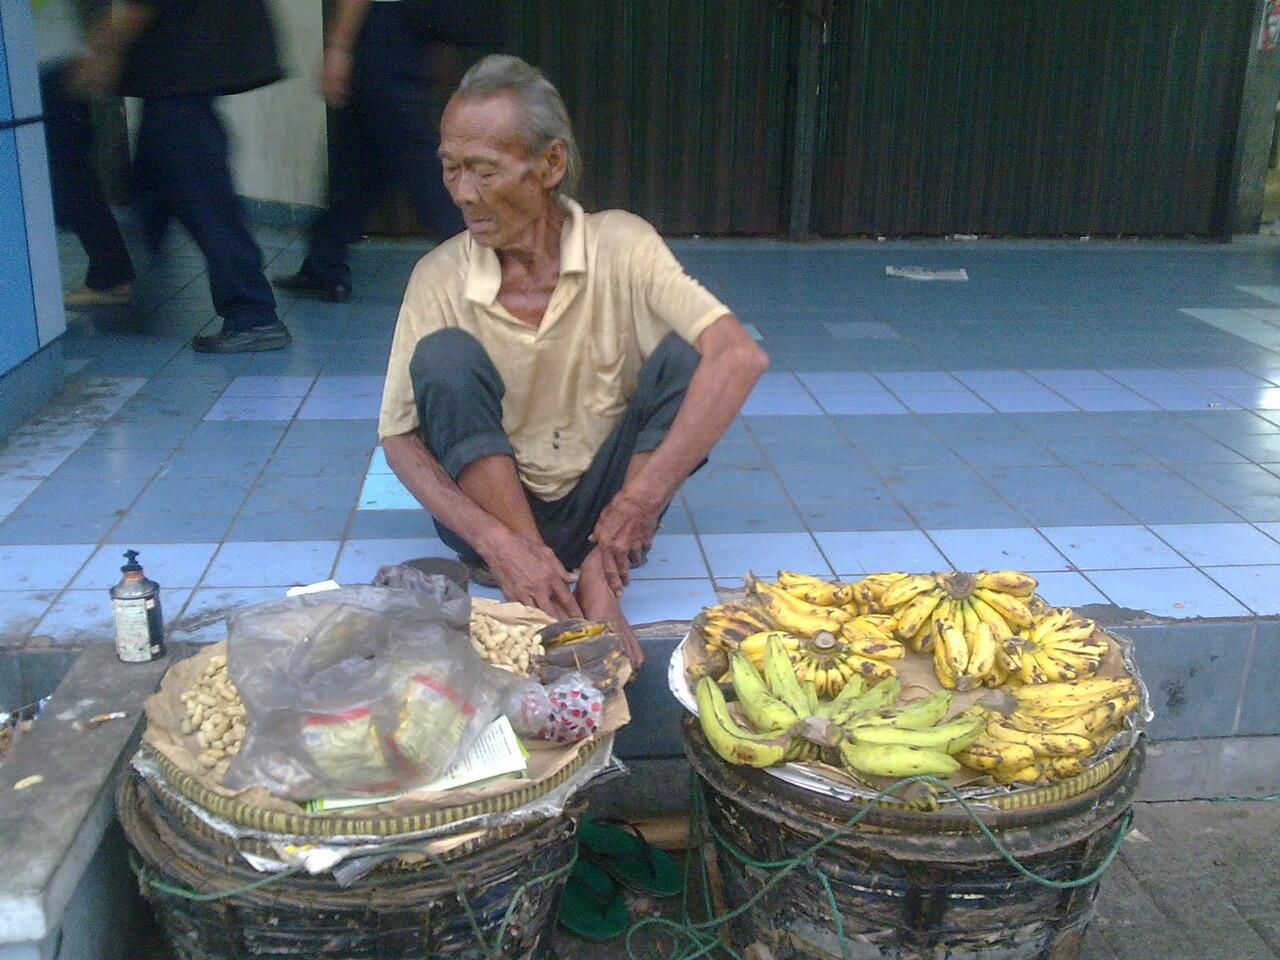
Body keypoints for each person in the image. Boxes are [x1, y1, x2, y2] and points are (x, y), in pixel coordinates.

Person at [378, 55, 770, 671]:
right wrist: (499, 542)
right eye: (451, 170)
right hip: (491, 520)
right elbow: (399, 440)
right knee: (444, 358)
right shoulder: (438, 277)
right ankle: (544, 584)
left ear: (550, 164)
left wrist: (634, 509)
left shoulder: (622, 244)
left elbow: (738, 357)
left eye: (483, 170)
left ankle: (597, 573)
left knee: (693, 350)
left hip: (604, 514)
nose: (461, 194)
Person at [71, 0, 291, 353]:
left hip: (179, 83)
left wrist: (102, 51)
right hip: (174, 81)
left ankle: (254, 316)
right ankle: (125, 285)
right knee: (152, 194)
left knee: (208, 207)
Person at [274, 0, 481, 303]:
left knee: (414, 159)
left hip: (380, 29)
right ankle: (324, 264)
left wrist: (339, 47)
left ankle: (480, 261)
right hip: (400, 28)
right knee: (358, 156)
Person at [32, 0, 136, 307]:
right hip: (59, 64)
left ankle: (111, 274)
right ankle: (110, 272)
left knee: (68, 174)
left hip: (45, 67)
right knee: (70, 172)